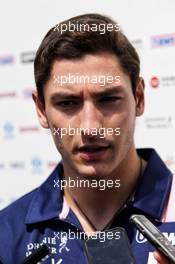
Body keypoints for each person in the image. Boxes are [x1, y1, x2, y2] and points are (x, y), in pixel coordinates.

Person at [0, 13, 173, 264]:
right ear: (41, 110)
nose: (90, 127)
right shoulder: (8, 236)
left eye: (108, 99)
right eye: (68, 103)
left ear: (139, 97)